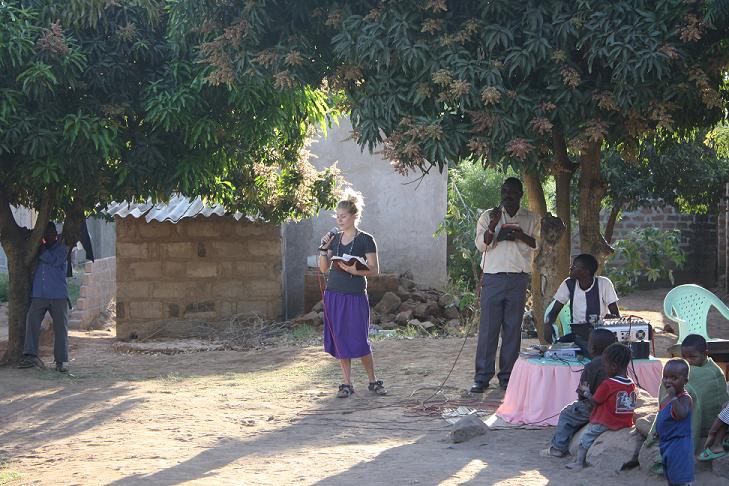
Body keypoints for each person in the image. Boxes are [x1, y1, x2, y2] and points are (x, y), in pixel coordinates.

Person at [318, 189, 386, 398]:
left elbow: (374, 270)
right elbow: (323, 269)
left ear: (354, 216)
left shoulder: (366, 239)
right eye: (337, 216)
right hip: (334, 294)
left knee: (359, 339)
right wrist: (323, 249)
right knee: (340, 339)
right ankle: (346, 384)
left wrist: (356, 271)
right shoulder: (335, 239)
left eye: (343, 216)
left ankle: (373, 381)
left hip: (356, 296)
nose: (339, 220)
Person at [471, 177, 537, 392]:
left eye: (512, 192)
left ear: (520, 194)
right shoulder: (488, 216)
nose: (507, 196)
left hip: (518, 278)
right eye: (504, 192)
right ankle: (482, 377)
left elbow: (538, 243)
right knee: (488, 329)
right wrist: (494, 226)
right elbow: (482, 245)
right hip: (493, 278)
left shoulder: (530, 218)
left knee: (512, 329)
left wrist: (520, 235)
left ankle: (508, 377)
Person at [642, 334, 729, 473]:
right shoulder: (696, 370)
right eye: (684, 357)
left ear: (705, 354)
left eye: (692, 357)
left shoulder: (713, 373)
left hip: (707, 425)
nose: (688, 361)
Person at [543, 328, 618, 457]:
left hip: (595, 406)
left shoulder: (591, 366)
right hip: (614, 405)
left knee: (566, 414)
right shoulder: (617, 364)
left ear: (592, 348)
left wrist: (580, 402)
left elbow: (583, 392)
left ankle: (558, 447)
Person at [566, 343, 637, 469]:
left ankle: (579, 462)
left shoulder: (608, 384)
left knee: (586, 437)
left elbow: (595, 401)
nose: (604, 369)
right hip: (625, 422)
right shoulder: (631, 383)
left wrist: (587, 393)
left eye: (605, 366)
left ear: (613, 366)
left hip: (607, 422)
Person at [17, 222, 70, 372]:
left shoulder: (62, 250)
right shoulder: (37, 249)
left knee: (60, 328)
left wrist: (41, 250)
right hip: (39, 294)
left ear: (55, 234)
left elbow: (53, 261)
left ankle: (60, 361)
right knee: (31, 321)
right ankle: (30, 355)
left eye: (50, 232)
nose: (48, 235)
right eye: (45, 232)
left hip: (58, 295)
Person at [544, 253, 620, 345]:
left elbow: (615, 314)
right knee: (558, 345)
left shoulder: (604, 284)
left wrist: (611, 319)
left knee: (589, 346)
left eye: (574, 267)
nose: (571, 268)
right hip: (578, 333)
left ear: (586, 271)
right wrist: (548, 324)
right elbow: (555, 310)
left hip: (599, 335)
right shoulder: (568, 284)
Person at [655, 358, 694, 485]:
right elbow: (663, 417)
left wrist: (673, 397)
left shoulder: (684, 398)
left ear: (685, 381)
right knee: (671, 476)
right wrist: (657, 431)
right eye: (665, 377)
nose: (668, 381)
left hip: (679, 446)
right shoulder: (666, 399)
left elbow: (681, 414)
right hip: (666, 444)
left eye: (674, 378)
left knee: (680, 478)